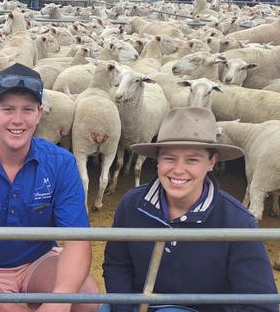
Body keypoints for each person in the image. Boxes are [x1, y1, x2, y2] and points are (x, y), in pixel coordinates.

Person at [0, 64, 99, 312]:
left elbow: (78, 241)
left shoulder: (61, 163)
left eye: (27, 109)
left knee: (87, 298)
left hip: (38, 260)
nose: (17, 120)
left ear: (39, 114)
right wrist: (12, 309)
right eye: (8, 109)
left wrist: (57, 303)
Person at [102, 107, 278, 312]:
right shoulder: (132, 204)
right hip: (138, 305)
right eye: (169, 158)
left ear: (211, 162)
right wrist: (122, 308)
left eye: (192, 160)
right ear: (157, 160)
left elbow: (260, 303)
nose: (178, 169)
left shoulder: (237, 221)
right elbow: (117, 264)